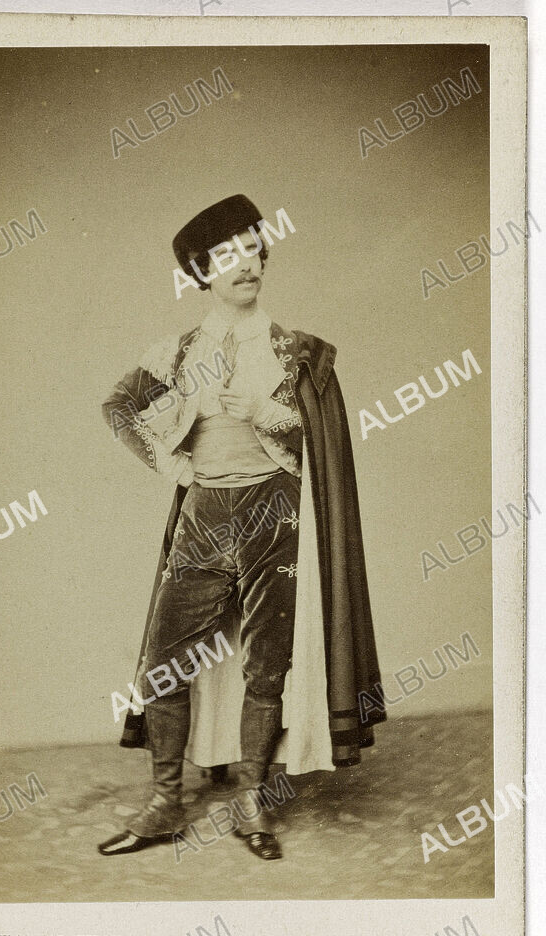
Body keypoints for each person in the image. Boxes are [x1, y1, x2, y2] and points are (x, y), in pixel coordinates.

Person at [99, 194, 385, 861]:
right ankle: (167, 800)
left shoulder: (295, 352)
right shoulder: (176, 351)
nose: (245, 264)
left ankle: (252, 799)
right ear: (201, 273)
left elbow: (317, 435)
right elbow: (119, 406)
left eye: (252, 248)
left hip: (275, 514)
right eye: (226, 257)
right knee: (164, 663)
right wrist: (167, 460)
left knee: (267, 667)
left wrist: (266, 410)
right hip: (204, 515)